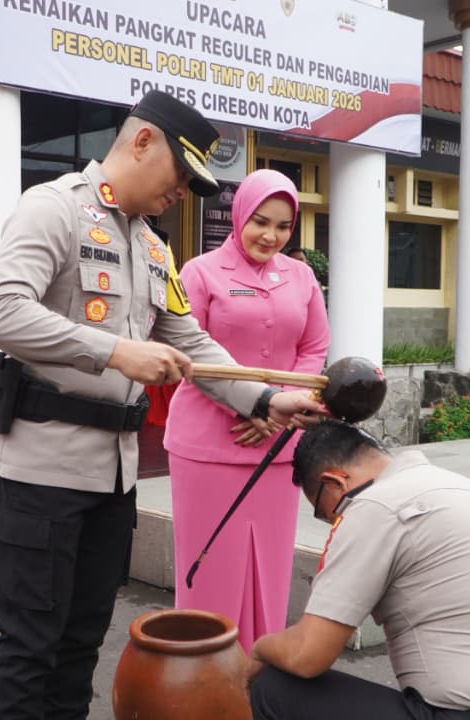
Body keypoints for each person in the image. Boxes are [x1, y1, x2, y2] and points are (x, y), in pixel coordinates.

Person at [0, 89, 322, 719]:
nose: (183, 193)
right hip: (40, 471)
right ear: (142, 143)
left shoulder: (154, 247)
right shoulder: (54, 210)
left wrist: (268, 398)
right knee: (31, 645)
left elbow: (190, 340)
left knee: (82, 642)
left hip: (113, 476)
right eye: (181, 175)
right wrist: (114, 351)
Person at [246, 421, 470, 720]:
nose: (332, 522)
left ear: (335, 481)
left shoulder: (375, 505)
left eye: (325, 513)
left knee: (273, 689)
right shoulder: (457, 485)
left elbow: (308, 654)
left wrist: (261, 648)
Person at [165, 169, 330, 651]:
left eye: (283, 227)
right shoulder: (199, 272)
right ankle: (199, 673)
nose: (270, 236)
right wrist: (256, 405)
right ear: (239, 216)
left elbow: (314, 346)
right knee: (209, 562)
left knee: (269, 565)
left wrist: (275, 408)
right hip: (206, 443)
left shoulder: (301, 275)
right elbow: (186, 352)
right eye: (260, 222)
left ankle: (259, 671)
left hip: (277, 448)